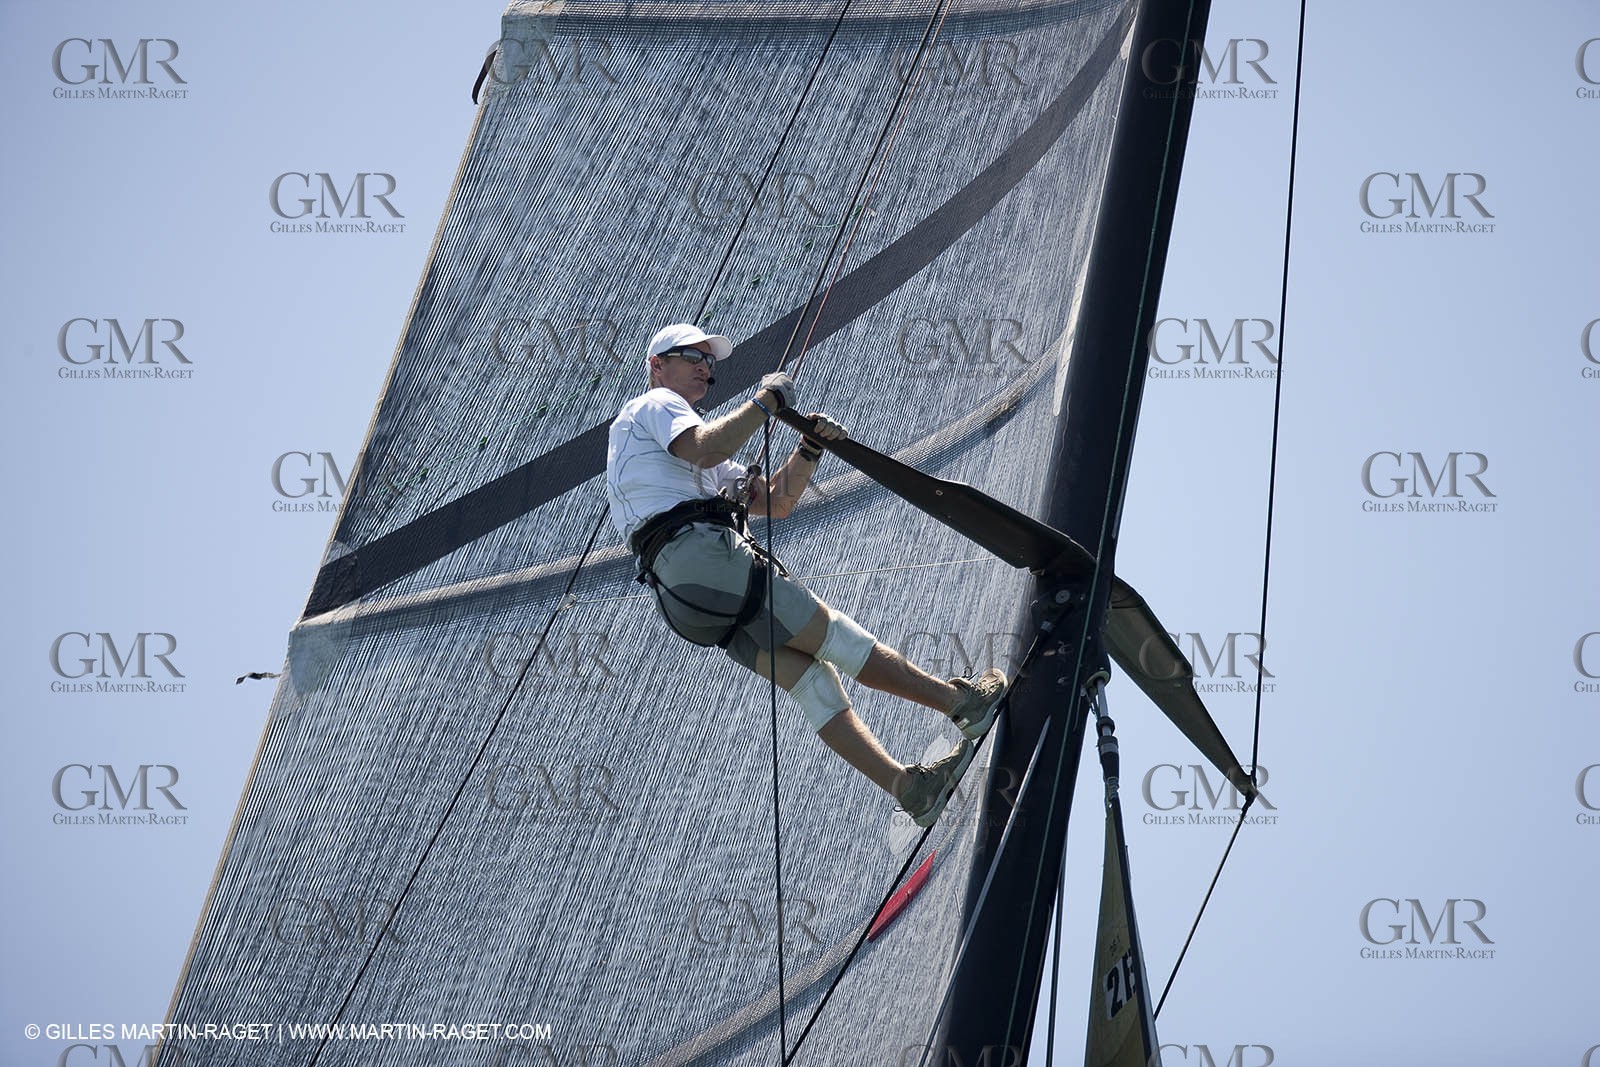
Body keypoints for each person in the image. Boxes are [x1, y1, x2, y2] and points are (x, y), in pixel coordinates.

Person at [605, 323, 1008, 827]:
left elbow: (776, 503)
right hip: (702, 559)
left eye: (710, 361)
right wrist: (763, 406)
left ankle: (912, 790)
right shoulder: (656, 406)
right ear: (657, 366)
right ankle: (964, 704)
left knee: (813, 681)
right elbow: (704, 446)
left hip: (686, 602)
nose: (706, 367)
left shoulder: (692, 458)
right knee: (836, 637)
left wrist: (810, 447)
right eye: (692, 356)